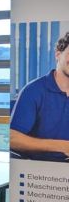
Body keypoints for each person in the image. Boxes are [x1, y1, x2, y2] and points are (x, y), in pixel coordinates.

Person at [10, 30, 69, 162]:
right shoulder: (33, 90)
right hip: (39, 169)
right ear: (58, 54)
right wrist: (61, 146)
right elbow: (13, 138)